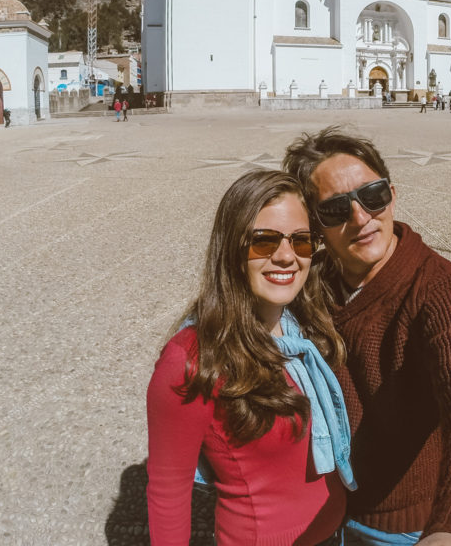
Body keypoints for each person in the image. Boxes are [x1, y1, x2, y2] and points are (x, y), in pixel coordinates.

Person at [283, 128, 451, 546]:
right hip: (319, 514)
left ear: (392, 194)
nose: (360, 218)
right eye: (336, 209)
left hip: (400, 529)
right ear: (316, 226)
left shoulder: (439, 289)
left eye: (372, 196)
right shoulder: (309, 281)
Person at [146, 170, 355, 546]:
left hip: (335, 532)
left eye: (301, 241)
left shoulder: (308, 322)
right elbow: (168, 493)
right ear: (232, 248)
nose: (286, 256)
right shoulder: (191, 359)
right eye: (263, 241)